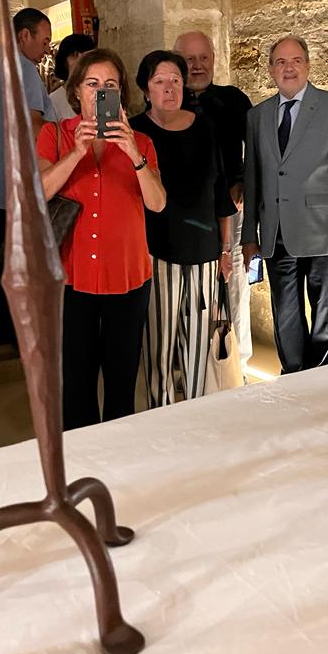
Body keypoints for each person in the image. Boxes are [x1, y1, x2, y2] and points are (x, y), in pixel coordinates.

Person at [34, 49, 165, 429]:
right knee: (76, 381)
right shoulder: (55, 135)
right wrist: (77, 152)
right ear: (77, 91)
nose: (100, 91)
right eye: (92, 84)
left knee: (122, 379)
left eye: (110, 84)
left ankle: (118, 450)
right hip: (71, 277)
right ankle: (82, 452)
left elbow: (158, 203)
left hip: (127, 276)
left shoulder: (141, 141)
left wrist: (133, 153)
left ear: (120, 93)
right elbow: (38, 192)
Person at [242, 35, 328, 374]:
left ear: (308, 66)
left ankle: (323, 380)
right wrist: (249, 235)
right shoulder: (257, 116)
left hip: (325, 234)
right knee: (285, 315)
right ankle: (294, 377)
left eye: (295, 60)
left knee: (326, 314)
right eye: (280, 62)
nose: (289, 68)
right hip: (276, 234)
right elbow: (253, 179)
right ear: (270, 70)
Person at [130, 50, 235, 406]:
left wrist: (225, 249)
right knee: (159, 351)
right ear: (146, 89)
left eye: (175, 80)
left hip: (204, 253)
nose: (169, 88)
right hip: (157, 253)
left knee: (199, 351)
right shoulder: (135, 132)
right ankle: (160, 418)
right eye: (159, 81)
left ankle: (196, 417)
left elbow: (219, 193)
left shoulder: (205, 127)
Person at [0, 7, 57, 346]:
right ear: (24, 36)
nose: (47, 50)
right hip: (23, 180)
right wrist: (67, 140)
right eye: (44, 41)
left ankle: (6, 322)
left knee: (8, 251)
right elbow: (36, 127)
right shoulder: (22, 68)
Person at [174, 31, 254, 373]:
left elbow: (259, 149)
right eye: (189, 59)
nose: (197, 66)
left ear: (213, 60)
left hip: (230, 209)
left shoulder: (233, 100)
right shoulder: (167, 101)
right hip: (186, 213)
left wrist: (244, 183)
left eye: (203, 58)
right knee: (189, 289)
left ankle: (238, 366)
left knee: (234, 284)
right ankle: (193, 365)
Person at [49, 33, 95, 121]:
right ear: (64, 62)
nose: (80, 60)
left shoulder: (98, 94)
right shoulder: (54, 100)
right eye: (75, 55)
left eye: (85, 55)